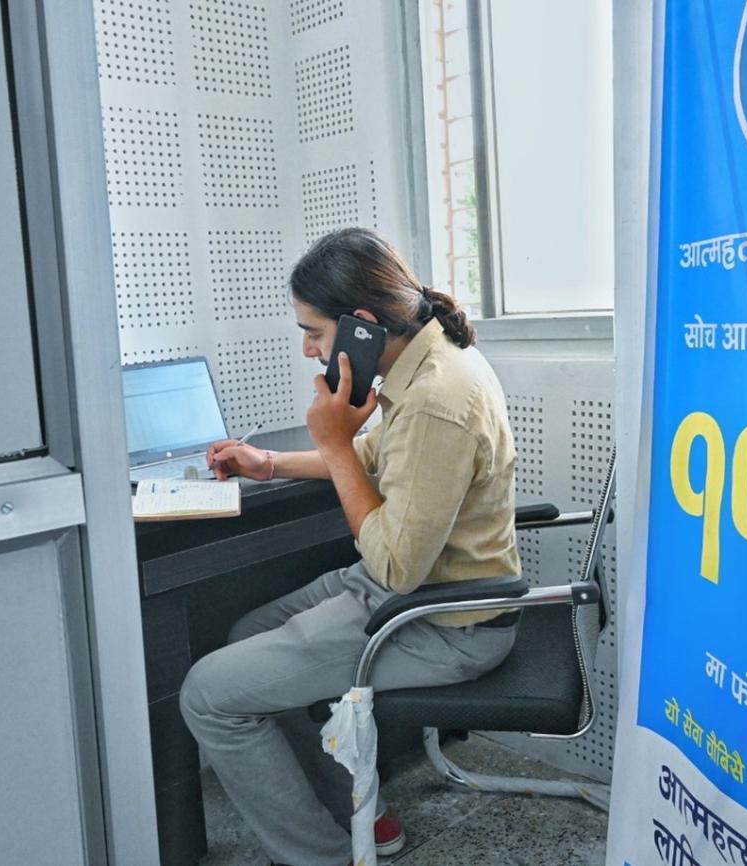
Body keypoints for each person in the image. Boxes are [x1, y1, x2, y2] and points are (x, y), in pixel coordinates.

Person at [179, 227, 520, 866]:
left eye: (312, 330)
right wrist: (269, 462)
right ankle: (360, 814)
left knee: (206, 694)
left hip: (441, 620)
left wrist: (332, 442)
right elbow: (373, 457)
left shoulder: (436, 400)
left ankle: (324, 857)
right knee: (244, 634)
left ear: (360, 325)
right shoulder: (426, 360)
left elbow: (396, 565)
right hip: (407, 590)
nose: (308, 348)